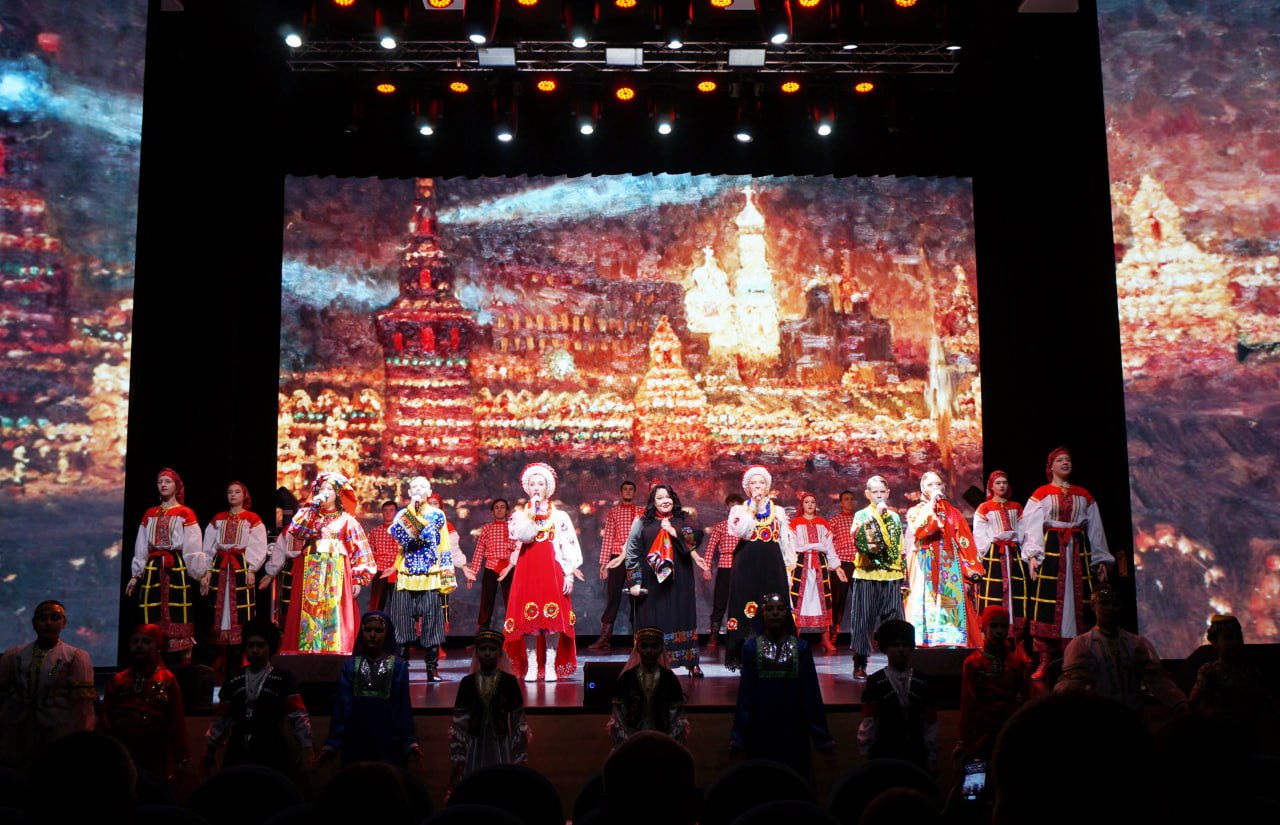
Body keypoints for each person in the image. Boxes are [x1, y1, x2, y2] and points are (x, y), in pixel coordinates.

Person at [1021, 448, 1115, 679]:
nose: (1065, 463)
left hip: (1077, 551)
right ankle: (1045, 660)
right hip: (1052, 550)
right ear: (1051, 466)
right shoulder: (1041, 494)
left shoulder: (1083, 495)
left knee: (1079, 602)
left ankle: (1078, 660)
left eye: (1068, 460)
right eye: (1060, 460)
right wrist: (1033, 555)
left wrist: (1100, 559)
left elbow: (1095, 528)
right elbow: (1031, 526)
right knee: (1048, 602)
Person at [263, 471, 375, 654]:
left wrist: (358, 578)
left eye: (329, 489)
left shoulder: (347, 521)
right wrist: (312, 508)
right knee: (309, 609)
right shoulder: (309, 516)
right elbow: (297, 531)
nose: (325, 492)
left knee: (334, 610)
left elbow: (360, 550)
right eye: (322, 489)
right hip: (310, 570)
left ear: (337, 493)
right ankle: (309, 650)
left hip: (336, 572)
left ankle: (334, 651)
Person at [730, 592, 835, 780]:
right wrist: (738, 737)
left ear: (787, 613)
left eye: (780, 609)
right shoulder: (751, 648)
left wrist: (822, 739)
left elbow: (811, 694)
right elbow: (746, 695)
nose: (775, 613)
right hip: (761, 730)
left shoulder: (801, 648)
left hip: (793, 730)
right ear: (762, 613)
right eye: (770, 609)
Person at [503, 462, 582, 682]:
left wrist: (569, 574)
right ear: (527, 488)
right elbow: (524, 536)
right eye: (532, 484)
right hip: (528, 568)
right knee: (528, 618)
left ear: (548, 487)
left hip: (552, 570)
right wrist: (531, 514)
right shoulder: (520, 516)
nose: (536, 487)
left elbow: (569, 545)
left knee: (552, 617)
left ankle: (550, 663)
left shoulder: (560, 516)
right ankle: (531, 663)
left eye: (540, 483)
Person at [204, 618, 312, 777]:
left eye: (261, 645)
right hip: (238, 747)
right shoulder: (234, 678)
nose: (255, 650)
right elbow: (222, 719)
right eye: (250, 645)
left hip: (271, 746)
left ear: (270, 647)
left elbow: (298, 716)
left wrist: (306, 748)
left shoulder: (283, 679)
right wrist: (210, 750)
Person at [0, 600, 96, 769]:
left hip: (58, 729)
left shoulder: (75, 657)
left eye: (55, 617)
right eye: (43, 618)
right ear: (34, 623)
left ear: (64, 623)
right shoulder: (13, 655)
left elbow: (83, 706)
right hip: (19, 729)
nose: (48, 623)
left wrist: (83, 735)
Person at [1055, 587, 1186, 711]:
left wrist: (1179, 702)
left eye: (1114, 604)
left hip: (1132, 714)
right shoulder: (1082, 644)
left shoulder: (1136, 643)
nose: (1110, 608)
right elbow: (1071, 686)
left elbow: (1157, 680)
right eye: (1104, 603)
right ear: (1093, 606)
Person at [624, 484, 708, 676]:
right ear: (653, 502)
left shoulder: (682, 518)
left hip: (680, 580)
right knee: (654, 619)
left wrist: (673, 531)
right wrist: (635, 581)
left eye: (667, 497)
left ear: (673, 499)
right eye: (660, 498)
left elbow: (697, 537)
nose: (664, 501)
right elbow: (633, 550)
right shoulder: (643, 520)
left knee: (682, 618)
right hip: (652, 580)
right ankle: (651, 662)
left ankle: (690, 661)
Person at [320, 611, 422, 767]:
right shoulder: (350, 667)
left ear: (387, 634)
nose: (372, 635)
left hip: (388, 742)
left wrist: (409, 742)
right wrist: (332, 744)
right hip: (356, 741)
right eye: (368, 630)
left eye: (378, 630)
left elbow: (402, 707)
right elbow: (342, 708)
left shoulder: (397, 667)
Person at [126, 468, 206, 660]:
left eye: (167, 481)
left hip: (175, 567)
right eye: (160, 481)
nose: (163, 485)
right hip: (153, 568)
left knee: (178, 609)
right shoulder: (150, 514)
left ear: (176, 486)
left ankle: (185, 665)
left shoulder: (185, 513)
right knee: (152, 612)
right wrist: (136, 575)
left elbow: (193, 546)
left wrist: (200, 574)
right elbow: (142, 545)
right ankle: (153, 664)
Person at [724, 465, 796, 670]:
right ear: (747, 488)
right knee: (746, 606)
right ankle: (745, 655)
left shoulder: (778, 511)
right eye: (753, 483)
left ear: (767, 487)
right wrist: (753, 508)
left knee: (775, 607)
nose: (757, 486)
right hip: (747, 565)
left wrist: (788, 570)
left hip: (772, 565)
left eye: (761, 482)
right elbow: (743, 532)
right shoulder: (739, 510)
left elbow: (785, 542)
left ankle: (778, 656)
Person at [99, 624, 190, 780]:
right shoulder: (119, 680)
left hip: (156, 752)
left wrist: (181, 755)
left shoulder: (167, 679)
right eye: (135, 642)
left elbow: (176, 718)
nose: (139, 646)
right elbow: (105, 717)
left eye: (146, 642)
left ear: (157, 647)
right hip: (123, 749)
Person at [904, 471, 983, 648]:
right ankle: (924, 640)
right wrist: (931, 505)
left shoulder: (954, 513)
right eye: (930, 485)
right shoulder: (915, 511)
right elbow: (920, 530)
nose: (935, 488)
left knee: (950, 602)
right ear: (923, 489)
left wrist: (969, 574)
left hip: (949, 565)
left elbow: (965, 542)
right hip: (924, 565)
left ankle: (950, 639)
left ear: (944, 487)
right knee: (924, 600)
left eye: (938, 484)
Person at [387, 476, 455, 682]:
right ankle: (401, 670)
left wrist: (446, 574)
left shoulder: (437, 515)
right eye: (414, 487)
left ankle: (432, 669)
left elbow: (444, 544)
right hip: (406, 575)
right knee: (402, 625)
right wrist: (412, 513)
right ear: (409, 493)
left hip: (430, 575)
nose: (418, 489)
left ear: (429, 492)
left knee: (432, 624)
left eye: (422, 487)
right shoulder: (402, 514)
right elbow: (399, 539)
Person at [200, 480, 269, 677]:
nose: (232, 495)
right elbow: (208, 546)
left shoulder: (252, 518)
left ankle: (242, 655)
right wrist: (206, 570)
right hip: (220, 565)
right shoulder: (218, 519)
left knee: (241, 607)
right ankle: (221, 654)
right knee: (219, 607)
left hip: (240, 564)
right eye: (230, 492)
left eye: (237, 492)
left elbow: (258, 545)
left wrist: (252, 569)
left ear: (244, 495)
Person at [448, 628, 530, 788]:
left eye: (492, 649)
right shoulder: (467, 682)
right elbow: (460, 720)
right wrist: (459, 753)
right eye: (483, 649)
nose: (487, 653)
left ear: (499, 653)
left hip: (501, 743)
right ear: (476, 652)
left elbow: (518, 718)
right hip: (475, 744)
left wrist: (519, 751)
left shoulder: (509, 682)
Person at [857, 619, 938, 774]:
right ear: (885, 648)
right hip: (884, 755)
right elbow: (869, 722)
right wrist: (865, 753)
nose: (900, 650)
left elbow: (930, 723)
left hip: (916, 755)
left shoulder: (923, 681)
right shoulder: (874, 682)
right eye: (895, 645)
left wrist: (932, 756)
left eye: (905, 645)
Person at [849, 475, 907, 679]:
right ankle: (860, 661)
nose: (879, 495)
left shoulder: (895, 517)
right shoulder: (861, 515)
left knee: (895, 620)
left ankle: (896, 660)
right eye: (875, 492)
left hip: (891, 575)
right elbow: (862, 541)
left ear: (888, 493)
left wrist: (903, 576)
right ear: (867, 494)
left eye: (882, 491)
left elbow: (900, 547)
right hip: (867, 574)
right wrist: (878, 516)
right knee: (863, 619)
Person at [955, 606, 1031, 763]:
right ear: (984, 627)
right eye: (994, 626)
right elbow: (968, 702)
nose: (999, 631)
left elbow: (1026, 699)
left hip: (1008, 731)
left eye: (1003, 626)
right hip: (980, 733)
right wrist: (963, 740)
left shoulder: (1016, 663)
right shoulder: (973, 663)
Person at [608, 626, 689, 748]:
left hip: (663, 743)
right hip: (632, 742)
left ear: (661, 648)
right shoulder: (627, 678)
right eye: (644, 646)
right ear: (638, 648)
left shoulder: (669, 678)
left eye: (654, 646)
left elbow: (677, 717)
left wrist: (667, 743)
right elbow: (619, 716)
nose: (649, 651)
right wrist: (629, 742)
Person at [971, 471, 1028, 640]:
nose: (1002, 485)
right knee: (994, 591)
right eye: (998, 483)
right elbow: (980, 534)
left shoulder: (1016, 507)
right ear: (991, 486)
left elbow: (1023, 530)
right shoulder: (984, 508)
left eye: (1004, 482)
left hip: (1013, 553)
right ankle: (991, 635)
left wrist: (1025, 552)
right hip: (994, 554)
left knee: (1015, 591)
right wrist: (982, 555)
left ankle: (1015, 636)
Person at [1188, 614, 1271, 728]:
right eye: (1228, 638)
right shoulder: (1208, 671)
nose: (1235, 642)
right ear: (1215, 642)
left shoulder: (1251, 672)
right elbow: (1193, 702)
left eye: (1238, 637)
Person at [789, 491, 846, 653]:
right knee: (798, 599)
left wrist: (837, 567)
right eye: (806, 502)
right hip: (801, 564)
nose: (809, 505)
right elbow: (791, 547)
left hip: (819, 564)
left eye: (812, 502)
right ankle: (795, 638)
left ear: (816, 505)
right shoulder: (795, 524)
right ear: (802, 505)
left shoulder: (823, 523)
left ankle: (825, 639)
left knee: (823, 600)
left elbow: (830, 547)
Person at [591, 480, 641, 651]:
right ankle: (605, 638)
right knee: (613, 596)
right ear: (621, 492)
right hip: (615, 556)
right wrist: (604, 563)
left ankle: (638, 639)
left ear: (634, 492)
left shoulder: (640, 511)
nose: (628, 491)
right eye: (625, 489)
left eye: (631, 489)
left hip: (634, 557)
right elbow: (608, 537)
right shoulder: (614, 511)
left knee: (636, 597)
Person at [702, 493, 744, 651]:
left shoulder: (746, 526)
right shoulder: (721, 526)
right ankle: (714, 635)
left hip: (741, 566)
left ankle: (739, 635)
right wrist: (707, 567)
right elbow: (710, 547)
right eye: (732, 506)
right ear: (727, 508)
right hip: (725, 566)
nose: (734, 509)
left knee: (741, 601)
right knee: (720, 601)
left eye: (737, 506)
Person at [470, 498, 518, 631]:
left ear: (507, 511)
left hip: (508, 567)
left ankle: (513, 627)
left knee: (511, 598)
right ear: (493, 511)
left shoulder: (513, 527)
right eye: (497, 507)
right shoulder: (487, 528)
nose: (500, 510)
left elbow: (518, 548)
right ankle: (483, 627)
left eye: (502, 507)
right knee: (487, 598)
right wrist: (473, 572)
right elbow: (479, 550)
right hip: (491, 566)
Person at [827, 489, 860, 652]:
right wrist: (835, 564)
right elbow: (828, 543)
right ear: (841, 502)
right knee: (838, 600)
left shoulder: (859, 519)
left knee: (860, 600)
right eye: (846, 499)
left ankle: (860, 634)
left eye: (852, 499)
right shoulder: (835, 520)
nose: (850, 501)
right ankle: (833, 632)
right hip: (841, 564)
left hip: (858, 563)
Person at [367, 499, 401, 612]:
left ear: (396, 512)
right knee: (377, 603)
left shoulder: (401, 531)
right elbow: (369, 550)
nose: (388, 513)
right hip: (380, 569)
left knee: (398, 604)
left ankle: (398, 623)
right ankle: (375, 621)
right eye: (385, 510)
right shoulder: (375, 531)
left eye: (391, 510)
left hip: (396, 570)